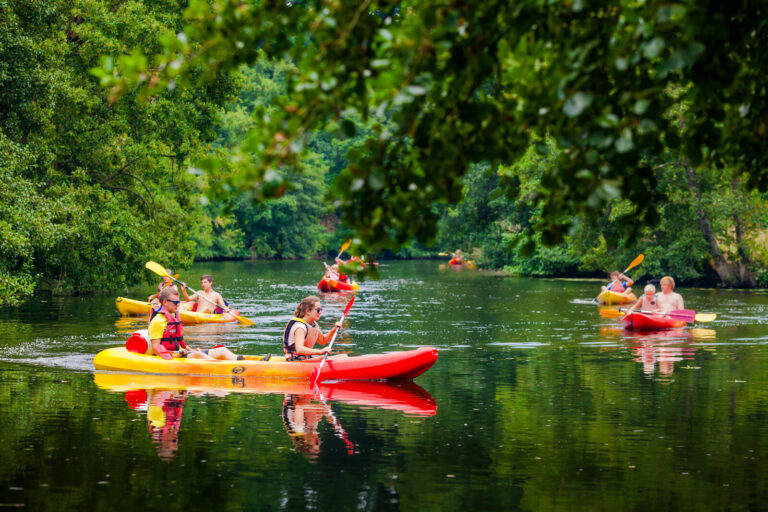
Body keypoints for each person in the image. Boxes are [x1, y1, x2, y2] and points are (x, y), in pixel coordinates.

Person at [149, 287, 242, 360]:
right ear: (165, 302)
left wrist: (191, 350)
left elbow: (180, 343)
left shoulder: (174, 318)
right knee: (198, 355)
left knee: (221, 351)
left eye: (178, 302)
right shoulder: (157, 321)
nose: (178, 304)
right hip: (170, 357)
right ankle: (228, 369)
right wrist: (177, 354)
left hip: (180, 353)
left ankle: (243, 363)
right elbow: (155, 348)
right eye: (175, 302)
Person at [283, 295, 343, 361]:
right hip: (294, 360)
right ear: (308, 311)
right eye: (318, 310)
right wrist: (320, 351)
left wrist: (334, 329)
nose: (320, 312)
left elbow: (322, 340)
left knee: (343, 356)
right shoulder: (300, 327)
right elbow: (299, 349)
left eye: (321, 310)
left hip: (306, 359)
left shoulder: (313, 324)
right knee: (325, 359)